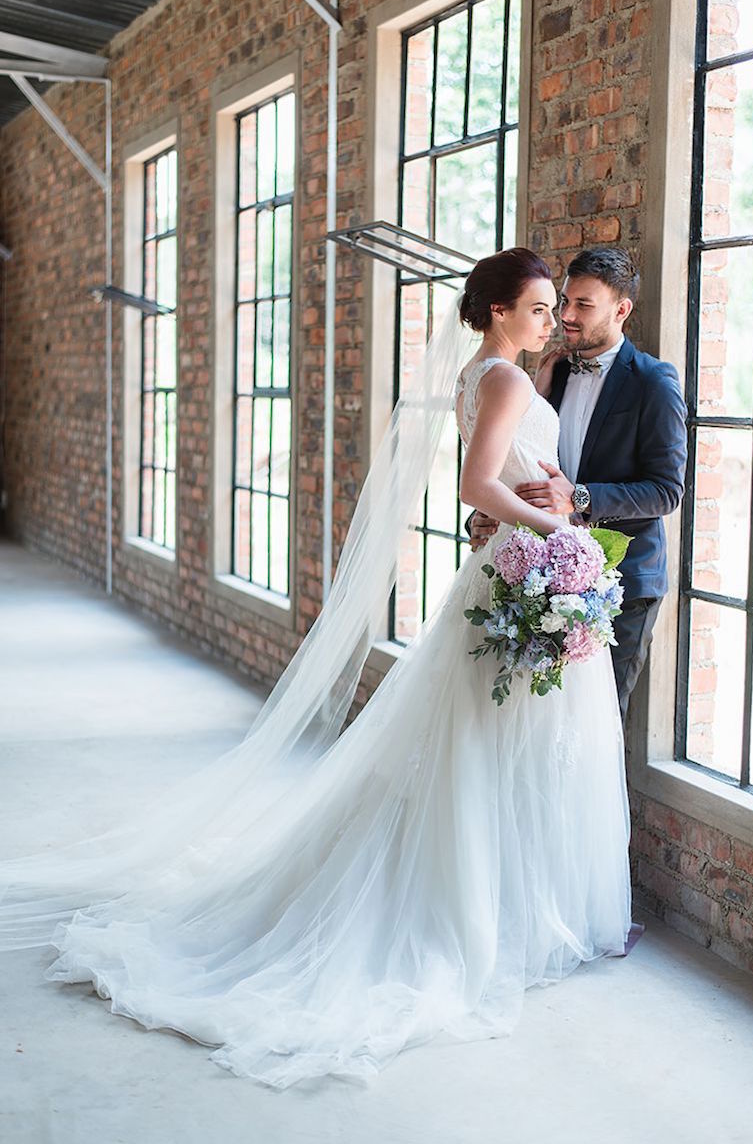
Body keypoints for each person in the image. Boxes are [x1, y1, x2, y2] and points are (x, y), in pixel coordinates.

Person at [0, 249, 633, 1089]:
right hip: (526, 563)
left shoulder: (484, 376)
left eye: (558, 307)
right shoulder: (511, 381)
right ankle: (489, 915)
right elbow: (480, 486)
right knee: (495, 746)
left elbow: (504, 478)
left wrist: (550, 499)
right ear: (497, 313)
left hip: (510, 565)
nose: (552, 320)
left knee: (484, 744)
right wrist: (558, 532)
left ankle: (499, 902)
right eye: (540, 307)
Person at [467, 248, 687, 724]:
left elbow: (667, 491)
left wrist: (578, 497)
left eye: (583, 305)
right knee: (533, 723)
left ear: (621, 309)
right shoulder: (549, 372)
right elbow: (507, 460)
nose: (565, 315)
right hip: (535, 575)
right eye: (563, 301)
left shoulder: (653, 382)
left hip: (620, 581)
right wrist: (487, 513)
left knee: (596, 731)